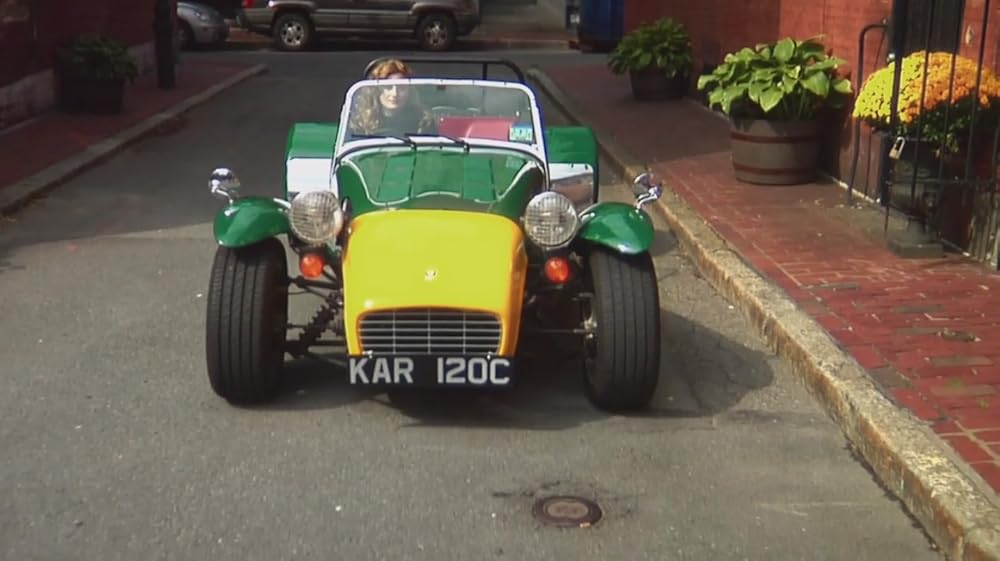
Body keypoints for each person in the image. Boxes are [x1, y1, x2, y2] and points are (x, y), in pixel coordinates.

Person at [349, 59, 434, 136]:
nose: (395, 93)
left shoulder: (423, 120)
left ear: (409, 90)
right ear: (377, 89)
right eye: (388, 87)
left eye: (401, 88)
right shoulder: (361, 120)